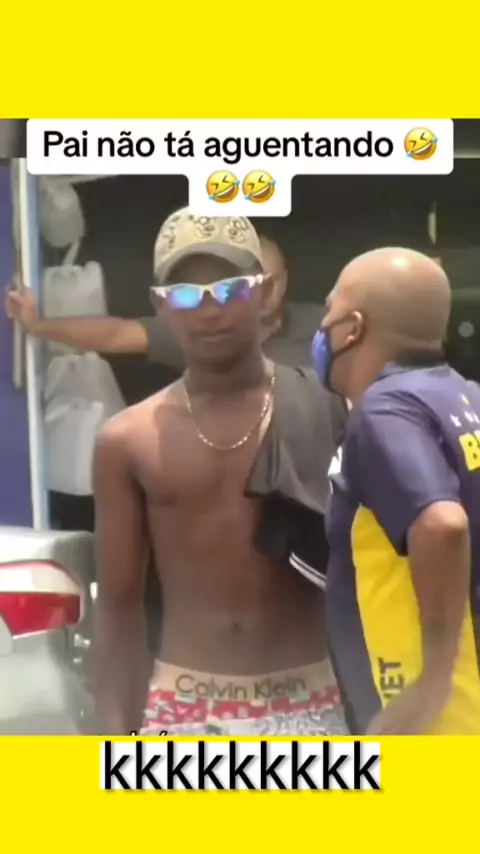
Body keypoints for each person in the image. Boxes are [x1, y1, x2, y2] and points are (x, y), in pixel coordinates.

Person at [91, 209, 347, 736]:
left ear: (266, 292)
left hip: (311, 701)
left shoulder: (324, 409)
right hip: (182, 709)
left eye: (230, 289)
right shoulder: (127, 439)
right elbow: (118, 608)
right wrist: (113, 739)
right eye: (186, 295)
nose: (209, 310)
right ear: (161, 305)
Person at [311, 246, 480, 735]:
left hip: (428, 717)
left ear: (352, 328)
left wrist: (432, 685)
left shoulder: (386, 410)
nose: (321, 328)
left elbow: (443, 526)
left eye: (329, 310)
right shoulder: (466, 397)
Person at [4, 235, 322, 368]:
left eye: (271, 282)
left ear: (285, 282)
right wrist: (39, 326)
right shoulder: (205, 328)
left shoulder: (325, 325)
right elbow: (116, 334)